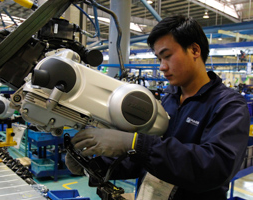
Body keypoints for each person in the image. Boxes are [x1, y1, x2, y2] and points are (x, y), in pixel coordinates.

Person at [65, 15, 250, 200]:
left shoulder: (228, 106)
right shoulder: (169, 98)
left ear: (194, 50)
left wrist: (135, 143)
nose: (162, 67)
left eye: (167, 56)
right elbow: (143, 160)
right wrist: (91, 165)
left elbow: (213, 168)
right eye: (159, 58)